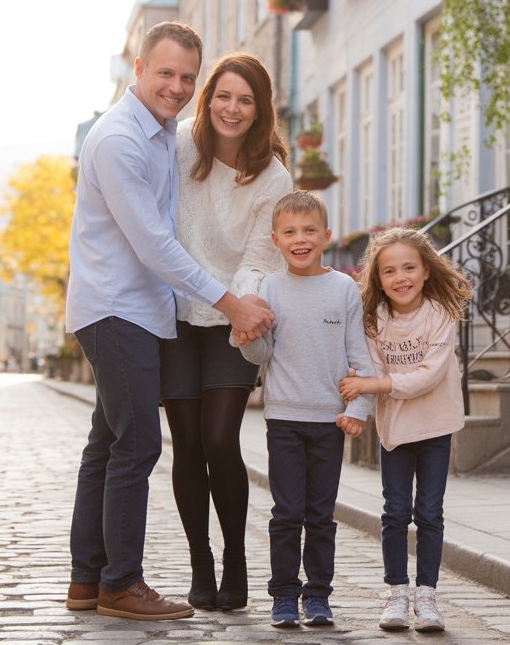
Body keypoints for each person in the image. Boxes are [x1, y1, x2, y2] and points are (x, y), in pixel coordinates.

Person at [63, 22, 274, 622]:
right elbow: (155, 244)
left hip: (135, 309)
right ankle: (121, 583)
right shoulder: (121, 141)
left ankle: (88, 577)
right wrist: (231, 302)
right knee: (137, 445)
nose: (176, 87)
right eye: (166, 74)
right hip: (117, 308)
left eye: (187, 77)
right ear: (138, 67)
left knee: (106, 443)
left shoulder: (160, 135)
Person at [160, 52, 292, 613]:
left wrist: (235, 306)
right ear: (208, 97)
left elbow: (262, 257)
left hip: (233, 318)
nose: (231, 109)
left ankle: (235, 559)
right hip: (174, 317)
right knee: (186, 444)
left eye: (245, 100)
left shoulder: (273, 174)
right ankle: (200, 564)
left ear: (260, 110)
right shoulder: (180, 149)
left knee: (220, 439)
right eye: (223, 96)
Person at [233, 191, 376, 629]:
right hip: (284, 421)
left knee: (321, 513)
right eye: (290, 232)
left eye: (309, 230)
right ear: (275, 239)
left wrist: (362, 405)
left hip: (330, 421)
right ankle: (283, 595)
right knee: (286, 512)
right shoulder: (269, 288)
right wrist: (247, 338)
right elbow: (262, 354)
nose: (300, 239)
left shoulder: (343, 288)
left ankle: (318, 596)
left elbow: (361, 355)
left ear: (326, 236)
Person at [338, 227, 473, 633]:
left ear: (426, 271)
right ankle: (397, 593)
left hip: (435, 427)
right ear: (378, 279)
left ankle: (427, 597)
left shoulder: (440, 315)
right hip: (395, 431)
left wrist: (372, 386)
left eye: (409, 268)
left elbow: (428, 377)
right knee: (395, 513)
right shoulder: (375, 321)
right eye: (390, 271)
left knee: (429, 512)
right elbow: (371, 369)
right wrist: (358, 407)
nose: (401, 278)